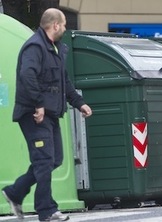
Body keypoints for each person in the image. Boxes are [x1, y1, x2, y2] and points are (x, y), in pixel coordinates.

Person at [1, 8, 92, 221]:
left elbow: (63, 82)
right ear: (55, 25)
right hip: (34, 114)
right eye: (64, 24)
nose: (65, 28)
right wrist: (38, 104)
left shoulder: (55, 49)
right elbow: (27, 75)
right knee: (44, 161)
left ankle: (15, 192)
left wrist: (79, 103)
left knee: (54, 159)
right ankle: (47, 210)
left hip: (49, 113)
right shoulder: (35, 46)